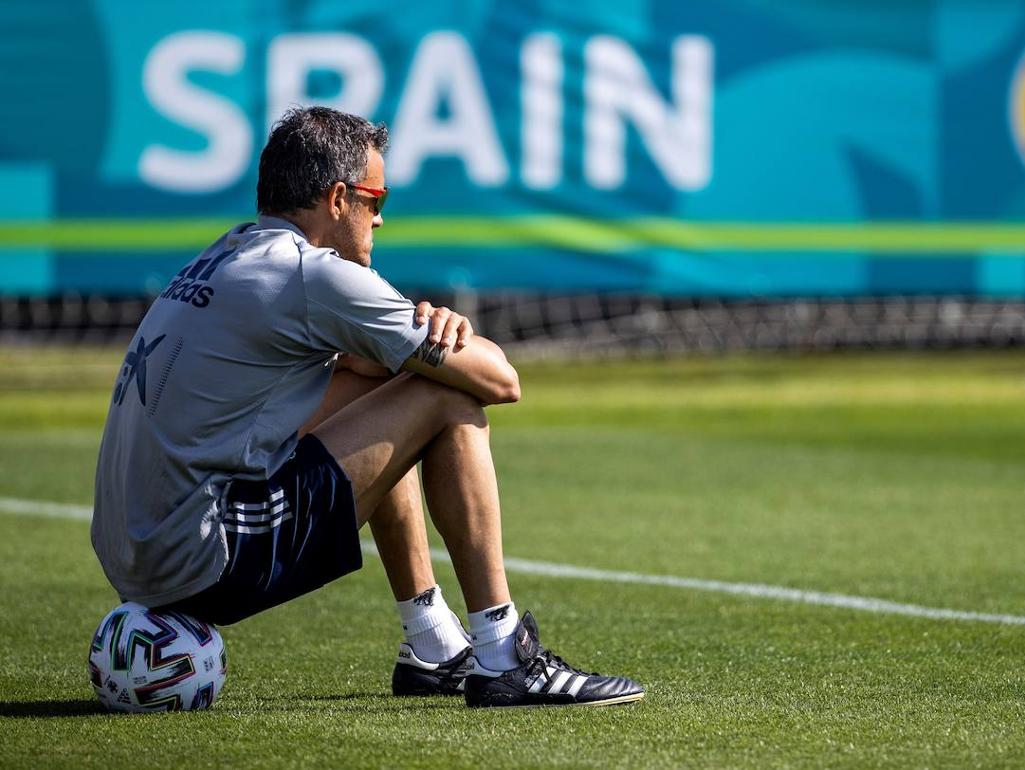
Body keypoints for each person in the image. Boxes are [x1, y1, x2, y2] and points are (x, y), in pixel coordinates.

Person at [91, 106, 643, 708]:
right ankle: (505, 653)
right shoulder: (310, 274)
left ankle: (432, 642)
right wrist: (445, 335)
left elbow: (359, 372)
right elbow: (501, 380)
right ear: (337, 198)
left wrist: (408, 348)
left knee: (390, 381)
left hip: (136, 562)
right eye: (375, 198)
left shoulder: (223, 256)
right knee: (445, 391)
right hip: (206, 563)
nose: (380, 218)